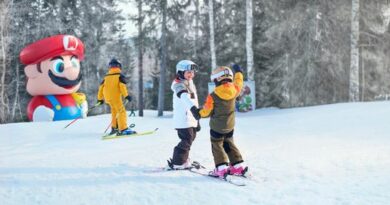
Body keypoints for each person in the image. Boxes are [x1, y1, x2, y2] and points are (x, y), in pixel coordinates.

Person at [194, 64, 248, 178]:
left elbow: (207, 112)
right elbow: (239, 82)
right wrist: (239, 71)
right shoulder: (235, 89)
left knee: (217, 145)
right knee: (229, 144)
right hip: (230, 126)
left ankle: (221, 168)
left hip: (217, 128)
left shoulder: (213, 96)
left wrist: (199, 113)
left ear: (217, 79)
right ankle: (238, 166)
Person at [19, 34, 88, 121]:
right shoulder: (41, 100)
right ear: (32, 71)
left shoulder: (76, 97)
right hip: (52, 133)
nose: (71, 73)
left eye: (74, 64)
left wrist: (82, 108)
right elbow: (33, 109)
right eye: (59, 67)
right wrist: (37, 113)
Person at [167, 60, 200, 170]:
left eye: (193, 72)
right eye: (188, 72)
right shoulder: (178, 84)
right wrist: (194, 110)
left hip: (190, 118)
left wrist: (197, 121)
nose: (191, 75)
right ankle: (178, 162)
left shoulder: (189, 82)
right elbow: (184, 97)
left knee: (191, 138)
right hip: (183, 118)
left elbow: (193, 101)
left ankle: (184, 159)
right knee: (187, 139)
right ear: (180, 72)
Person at [97, 58, 135, 136]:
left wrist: (100, 99)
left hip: (108, 98)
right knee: (121, 111)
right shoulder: (119, 76)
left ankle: (115, 128)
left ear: (110, 67)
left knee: (114, 111)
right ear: (119, 66)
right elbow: (122, 87)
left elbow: (101, 88)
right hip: (115, 97)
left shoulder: (106, 77)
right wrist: (126, 96)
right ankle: (123, 129)